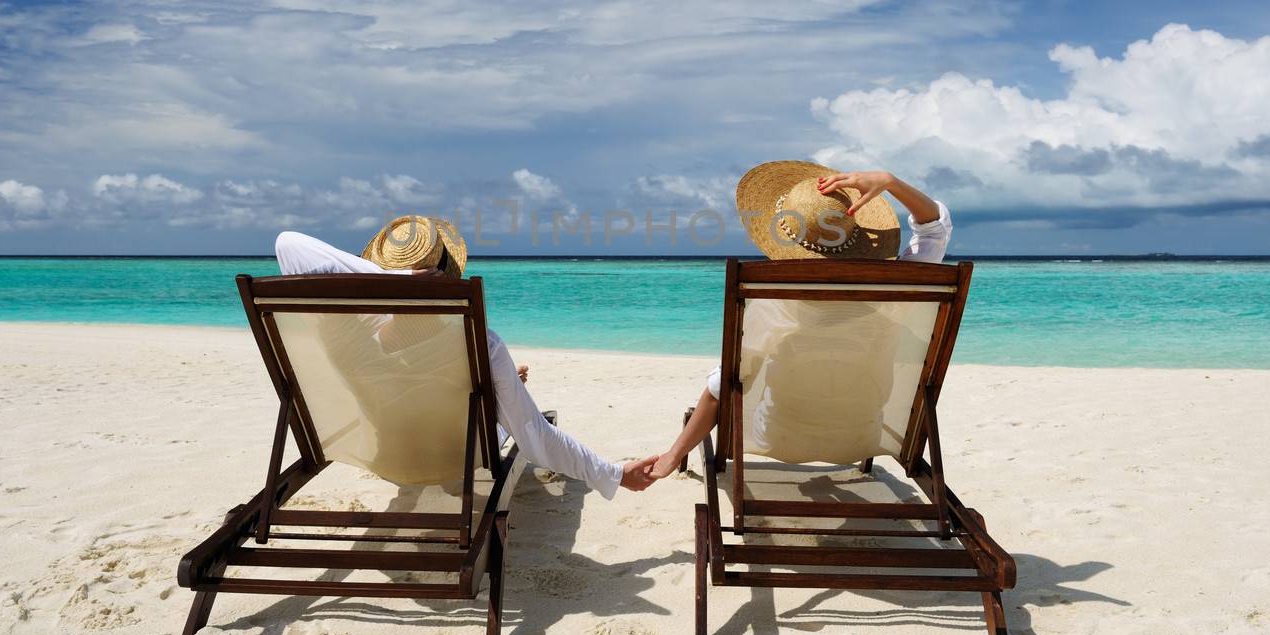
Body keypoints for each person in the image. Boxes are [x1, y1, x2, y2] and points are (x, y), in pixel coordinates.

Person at [274, 217, 659, 498]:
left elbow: (287, 243)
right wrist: (615, 473)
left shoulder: (346, 335)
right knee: (508, 411)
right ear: (446, 276)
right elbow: (534, 436)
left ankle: (495, 391)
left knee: (487, 389)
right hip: (456, 456)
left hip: (390, 454)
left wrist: (393, 287)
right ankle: (497, 392)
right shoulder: (480, 344)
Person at [647, 164, 953, 479]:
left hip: (778, 438)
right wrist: (890, 181)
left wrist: (673, 455)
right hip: (861, 438)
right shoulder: (895, 297)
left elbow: (721, 387)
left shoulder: (773, 306)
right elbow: (935, 230)